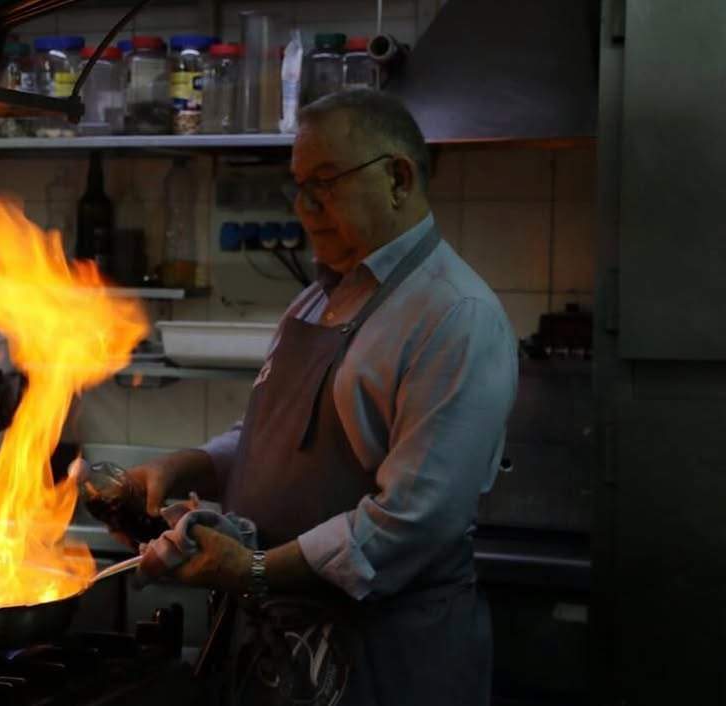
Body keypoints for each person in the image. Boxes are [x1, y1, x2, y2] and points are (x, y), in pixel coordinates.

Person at [126, 90, 518, 705]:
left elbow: (411, 522)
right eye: (299, 186)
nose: (305, 209)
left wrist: (253, 569)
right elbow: (268, 437)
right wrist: (185, 466)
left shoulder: (454, 317)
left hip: (384, 660)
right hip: (285, 651)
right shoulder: (316, 299)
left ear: (398, 177)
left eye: (326, 184)